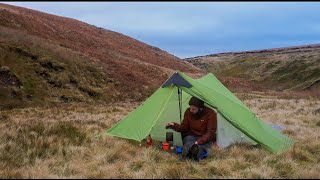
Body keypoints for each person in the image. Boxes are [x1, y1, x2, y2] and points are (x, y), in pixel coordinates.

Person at [166, 96, 217, 161]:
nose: (191, 110)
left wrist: (199, 141)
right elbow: (184, 127)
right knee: (188, 143)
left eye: (194, 109)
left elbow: (210, 132)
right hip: (192, 135)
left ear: (200, 108)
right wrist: (174, 125)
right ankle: (186, 155)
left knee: (199, 147)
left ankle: (194, 157)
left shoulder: (210, 114)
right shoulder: (188, 112)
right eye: (190, 107)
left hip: (205, 138)